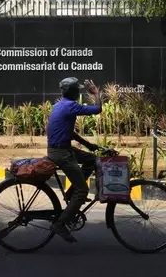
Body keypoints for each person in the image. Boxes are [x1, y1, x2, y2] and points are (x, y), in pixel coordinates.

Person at [46, 77, 115, 243]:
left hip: (62, 148)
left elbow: (69, 132)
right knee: (83, 190)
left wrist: (89, 145)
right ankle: (60, 224)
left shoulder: (60, 105)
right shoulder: (71, 106)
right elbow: (98, 109)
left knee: (92, 160)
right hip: (61, 153)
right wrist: (96, 93)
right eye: (78, 89)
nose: (79, 91)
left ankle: (71, 196)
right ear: (73, 92)